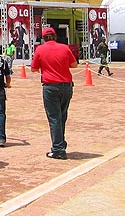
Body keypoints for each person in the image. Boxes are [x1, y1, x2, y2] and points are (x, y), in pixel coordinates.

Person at [30, 27, 77, 160]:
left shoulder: (40, 49)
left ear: (44, 38)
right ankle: (61, 143)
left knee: (54, 118)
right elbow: (74, 65)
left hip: (50, 86)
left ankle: (58, 149)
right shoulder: (65, 48)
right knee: (62, 116)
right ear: (55, 36)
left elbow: (33, 68)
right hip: (66, 86)